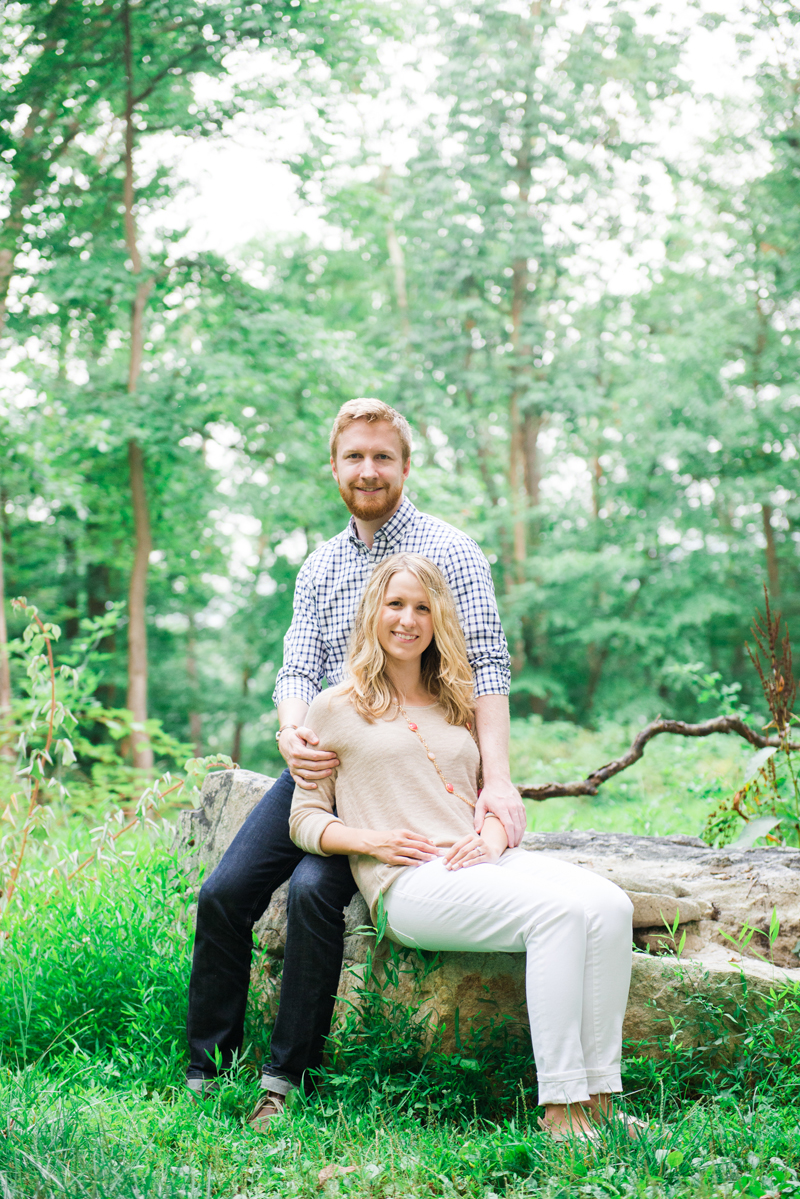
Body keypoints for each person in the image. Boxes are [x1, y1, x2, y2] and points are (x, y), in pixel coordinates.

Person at [186, 398, 526, 1128]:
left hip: (401, 774)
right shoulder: (322, 564)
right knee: (224, 891)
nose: (367, 470)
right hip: (324, 763)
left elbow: (490, 667)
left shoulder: (452, 550)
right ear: (334, 467)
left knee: (314, 891)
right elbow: (296, 666)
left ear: (405, 466)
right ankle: (205, 1072)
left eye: (382, 457)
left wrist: (496, 778)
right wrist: (289, 729)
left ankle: (285, 1080)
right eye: (354, 457)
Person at [290, 553, 635, 1141]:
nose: (408, 619)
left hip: (484, 859)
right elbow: (304, 818)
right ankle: (560, 1109)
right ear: (374, 610)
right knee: (558, 916)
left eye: (422, 607)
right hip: (412, 882)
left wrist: (490, 838)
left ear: (438, 617)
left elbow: (493, 801)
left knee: (610, 906)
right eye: (395, 604)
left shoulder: (456, 697)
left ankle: (600, 1099)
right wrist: (371, 840)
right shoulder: (334, 708)